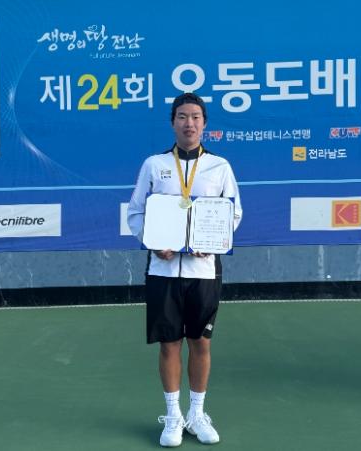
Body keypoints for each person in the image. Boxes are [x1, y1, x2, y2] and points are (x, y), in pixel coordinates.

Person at [127, 92, 242, 447]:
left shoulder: (220, 167)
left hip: (203, 271)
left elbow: (233, 213)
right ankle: (173, 416)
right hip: (163, 271)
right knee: (169, 344)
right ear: (172, 122)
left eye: (195, 117)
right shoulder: (154, 165)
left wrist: (215, 240)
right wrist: (152, 242)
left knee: (201, 342)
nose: (189, 123)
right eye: (182, 116)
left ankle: (197, 413)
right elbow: (136, 212)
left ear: (204, 124)